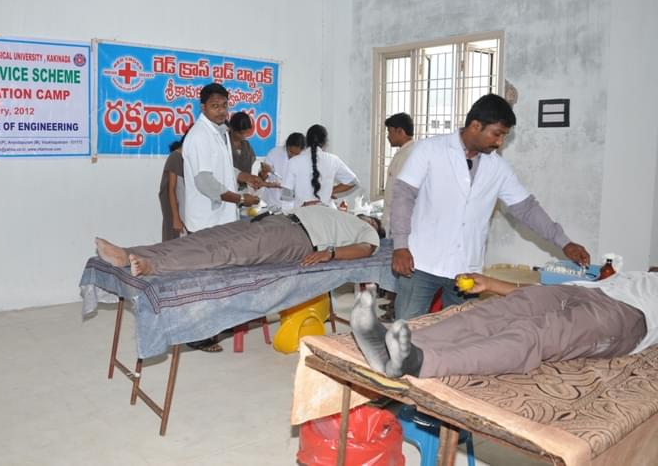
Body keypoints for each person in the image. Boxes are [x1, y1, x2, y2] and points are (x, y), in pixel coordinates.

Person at [390, 94, 591, 319]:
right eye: (497, 134)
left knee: (461, 330)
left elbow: (527, 209)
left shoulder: (498, 168)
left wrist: (564, 242)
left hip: (466, 268)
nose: (500, 142)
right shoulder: (429, 150)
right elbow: (403, 196)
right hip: (420, 261)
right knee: (406, 328)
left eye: (504, 136)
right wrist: (400, 246)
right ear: (476, 126)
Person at [350, 270, 658, 379]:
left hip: (628, 315)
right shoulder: (642, 274)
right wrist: (493, 284)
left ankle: (420, 362)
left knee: (535, 334)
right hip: (581, 289)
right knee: (491, 312)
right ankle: (389, 346)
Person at [95, 204, 385, 276]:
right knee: (204, 237)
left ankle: (152, 266)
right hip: (277, 220)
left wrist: (330, 254)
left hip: (295, 238)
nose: (368, 217)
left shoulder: (368, 231)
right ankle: (127, 253)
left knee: (223, 251)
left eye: (372, 219)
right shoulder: (342, 214)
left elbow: (366, 249)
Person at [182, 83, 261, 234]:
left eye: (224, 105)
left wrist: (245, 177)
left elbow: (222, 167)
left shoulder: (222, 131)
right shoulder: (200, 135)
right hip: (206, 223)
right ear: (203, 107)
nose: (221, 111)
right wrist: (241, 199)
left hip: (222, 221)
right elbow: (205, 182)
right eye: (215, 106)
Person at [282, 124, 358, 208]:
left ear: (306, 141)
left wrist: (290, 210)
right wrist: (330, 191)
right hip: (328, 212)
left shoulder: (294, 162)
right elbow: (353, 182)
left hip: (302, 212)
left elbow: (286, 194)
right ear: (325, 143)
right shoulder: (333, 160)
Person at [381, 113, 415, 235]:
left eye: (390, 132)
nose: (388, 136)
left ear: (400, 131)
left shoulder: (409, 155)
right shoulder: (403, 153)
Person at [261, 132, 306, 209]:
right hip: (272, 201)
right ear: (287, 146)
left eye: (296, 154)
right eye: (290, 152)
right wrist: (264, 171)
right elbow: (262, 178)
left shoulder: (304, 159)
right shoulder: (274, 153)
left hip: (292, 204)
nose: (292, 156)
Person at [228, 111, 270, 189]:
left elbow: (254, 178)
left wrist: (263, 172)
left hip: (244, 191)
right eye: (241, 133)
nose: (244, 136)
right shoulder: (223, 143)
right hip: (226, 190)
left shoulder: (246, 145)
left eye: (247, 133)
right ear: (231, 128)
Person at [158, 135, 186, 241]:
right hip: (178, 213)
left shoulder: (189, 158)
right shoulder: (175, 157)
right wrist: (176, 218)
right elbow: (171, 190)